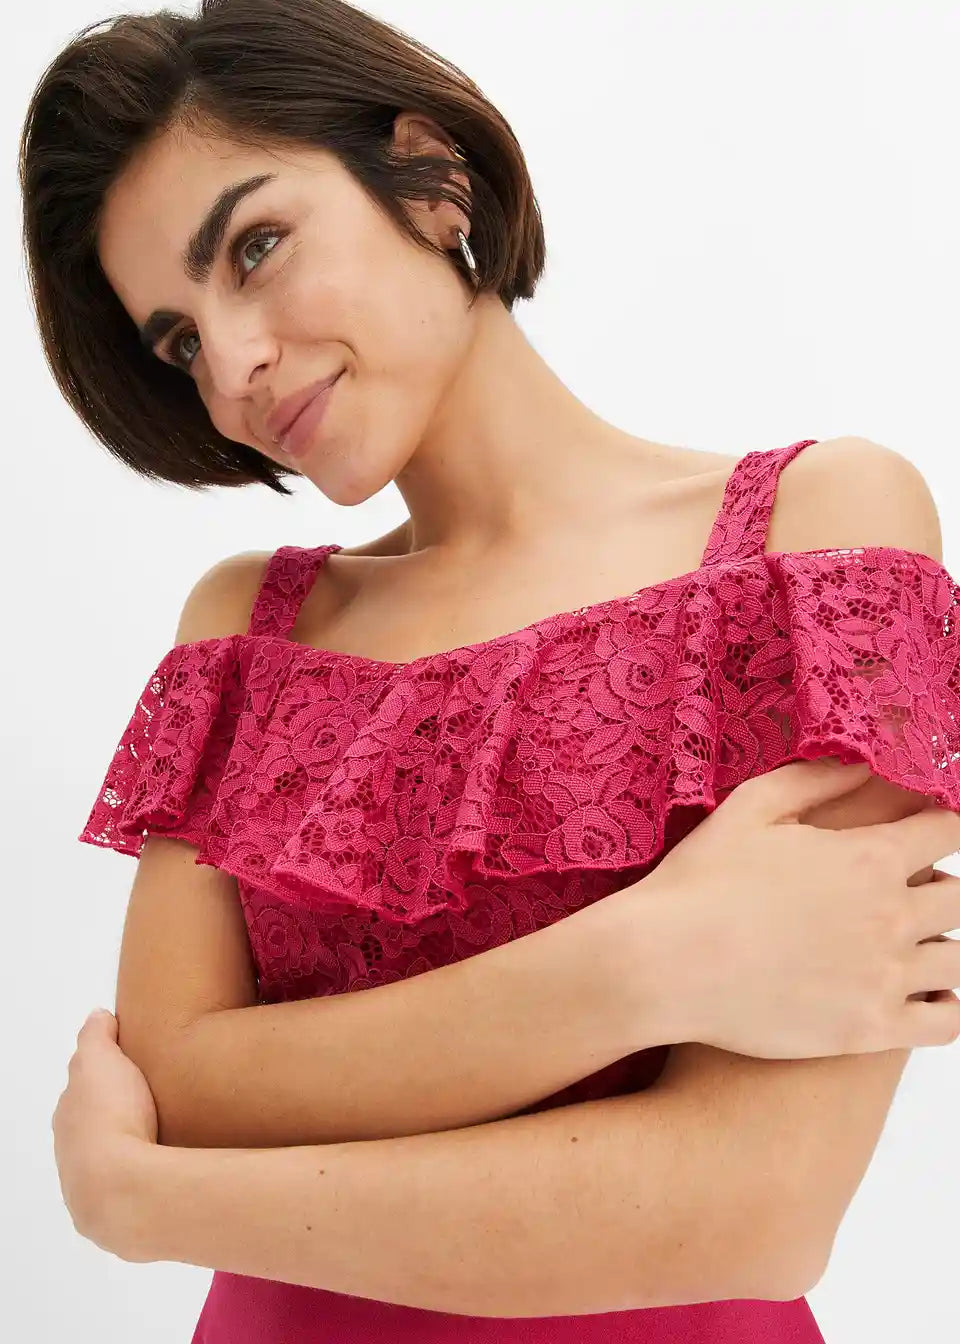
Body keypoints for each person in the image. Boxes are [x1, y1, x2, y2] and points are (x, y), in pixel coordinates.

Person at [22, 1, 960, 1340]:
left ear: (431, 179)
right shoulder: (243, 630)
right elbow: (179, 1084)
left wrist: (152, 1204)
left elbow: (755, 1209)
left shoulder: (816, 533)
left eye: (257, 246)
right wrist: (647, 963)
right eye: (178, 339)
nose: (231, 367)